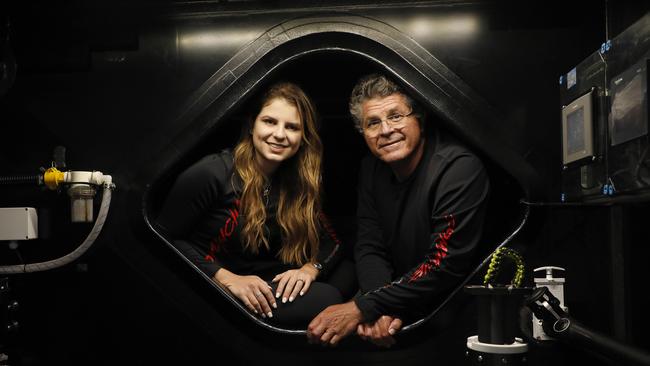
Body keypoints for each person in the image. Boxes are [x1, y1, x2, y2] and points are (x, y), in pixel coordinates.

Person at [307, 74, 489, 346]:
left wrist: (365, 307)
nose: (385, 130)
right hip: (395, 293)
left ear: (419, 119)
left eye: (395, 116)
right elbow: (370, 246)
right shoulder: (371, 169)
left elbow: (444, 266)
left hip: (450, 305)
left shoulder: (457, 169)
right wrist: (378, 306)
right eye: (373, 123)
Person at [157, 82, 354, 327]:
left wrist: (309, 269)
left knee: (346, 270)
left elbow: (332, 241)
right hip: (216, 284)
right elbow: (162, 238)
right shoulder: (213, 172)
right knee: (328, 298)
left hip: (267, 278)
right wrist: (227, 278)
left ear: (302, 137)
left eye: (291, 127)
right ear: (252, 125)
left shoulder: (294, 181)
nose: (280, 134)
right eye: (270, 121)